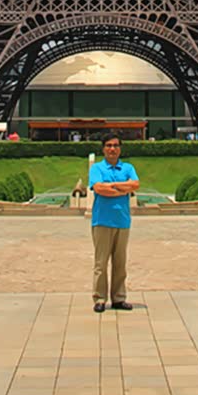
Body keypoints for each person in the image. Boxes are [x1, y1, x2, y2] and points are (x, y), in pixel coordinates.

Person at [88, 133, 139, 314]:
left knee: (120, 263)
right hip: (102, 221)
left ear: (120, 148)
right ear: (103, 149)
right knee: (101, 264)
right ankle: (100, 299)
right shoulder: (97, 168)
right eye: (109, 145)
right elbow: (98, 188)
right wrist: (122, 188)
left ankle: (119, 298)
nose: (112, 149)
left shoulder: (128, 167)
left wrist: (111, 187)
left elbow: (135, 185)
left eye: (116, 145)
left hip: (122, 221)